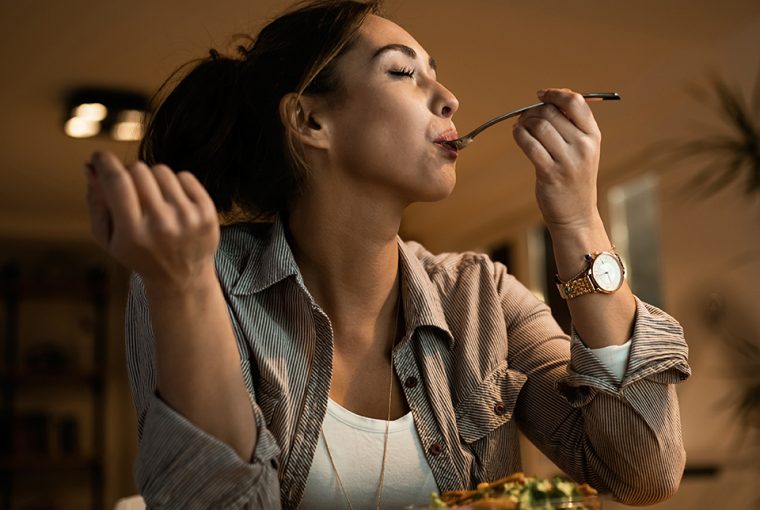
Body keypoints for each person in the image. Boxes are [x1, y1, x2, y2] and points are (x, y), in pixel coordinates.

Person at [84, 1, 691, 508]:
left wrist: (579, 221)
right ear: (309, 120)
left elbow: (640, 471)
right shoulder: (197, 277)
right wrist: (183, 287)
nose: (449, 97)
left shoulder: (481, 298)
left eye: (436, 74)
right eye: (404, 73)